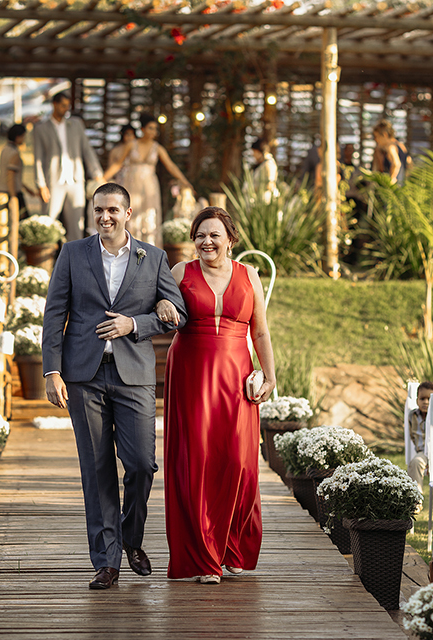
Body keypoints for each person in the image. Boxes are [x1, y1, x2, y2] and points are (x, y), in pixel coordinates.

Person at [42, 182, 187, 590]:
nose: (104, 217)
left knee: (141, 463)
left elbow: (179, 314)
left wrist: (136, 323)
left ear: (128, 214)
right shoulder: (73, 253)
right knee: (97, 468)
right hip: (83, 376)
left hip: (134, 375)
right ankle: (106, 560)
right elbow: (54, 313)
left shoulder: (153, 257)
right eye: (98, 210)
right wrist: (52, 371)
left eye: (112, 210)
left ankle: (131, 537)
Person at [164, 206, 276, 584]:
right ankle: (204, 558)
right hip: (191, 374)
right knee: (196, 461)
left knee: (238, 461)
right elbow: (159, 312)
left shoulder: (249, 275)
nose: (206, 242)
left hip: (236, 376)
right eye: (200, 235)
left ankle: (233, 545)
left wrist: (270, 375)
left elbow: (260, 331)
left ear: (230, 239)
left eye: (214, 235)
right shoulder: (180, 273)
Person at [103, 115, 193, 246]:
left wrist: (185, 181)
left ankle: (149, 250)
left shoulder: (157, 148)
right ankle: (129, 248)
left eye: (155, 129)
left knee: (149, 216)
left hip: (150, 187)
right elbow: (117, 164)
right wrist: (102, 179)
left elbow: (171, 166)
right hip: (132, 185)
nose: (153, 132)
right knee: (131, 216)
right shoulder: (131, 145)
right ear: (142, 129)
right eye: (150, 128)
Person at [33, 91, 104, 242]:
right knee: (48, 221)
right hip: (53, 181)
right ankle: (49, 255)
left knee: (77, 225)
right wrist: (41, 184)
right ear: (54, 105)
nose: (66, 109)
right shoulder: (41, 129)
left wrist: (97, 173)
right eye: (63, 105)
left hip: (75, 181)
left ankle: (75, 256)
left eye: (68, 106)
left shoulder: (76, 125)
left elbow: (87, 150)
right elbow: (38, 158)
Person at [0, 123, 38, 219]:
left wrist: (27, 189)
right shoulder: (14, 154)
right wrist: (13, 197)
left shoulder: (4, 149)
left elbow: (14, 177)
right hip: (10, 192)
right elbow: (10, 176)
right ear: (18, 137)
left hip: (0, 190)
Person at [407, 381, 433, 487]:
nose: (426, 402)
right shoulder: (412, 416)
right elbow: (412, 436)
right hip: (422, 452)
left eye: (429, 399)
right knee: (416, 462)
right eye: (422, 399)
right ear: (417, 400)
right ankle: (416, 495)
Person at [372, 120, 411, 184]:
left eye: (377, 136)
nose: (376, 140)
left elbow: (396, 163)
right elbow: (409, 162)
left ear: (385, 135)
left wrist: (392, 179)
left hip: (393, 186)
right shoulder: (400, 145)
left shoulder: (390, 147)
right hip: (402, 183)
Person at [251, 138, 278, 203]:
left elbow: (270, 184)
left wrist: (253, 189)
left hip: (266, 202)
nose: (253, 155)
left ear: (259, 152)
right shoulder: (261, 165)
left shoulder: (269, 164)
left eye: (254, 152)